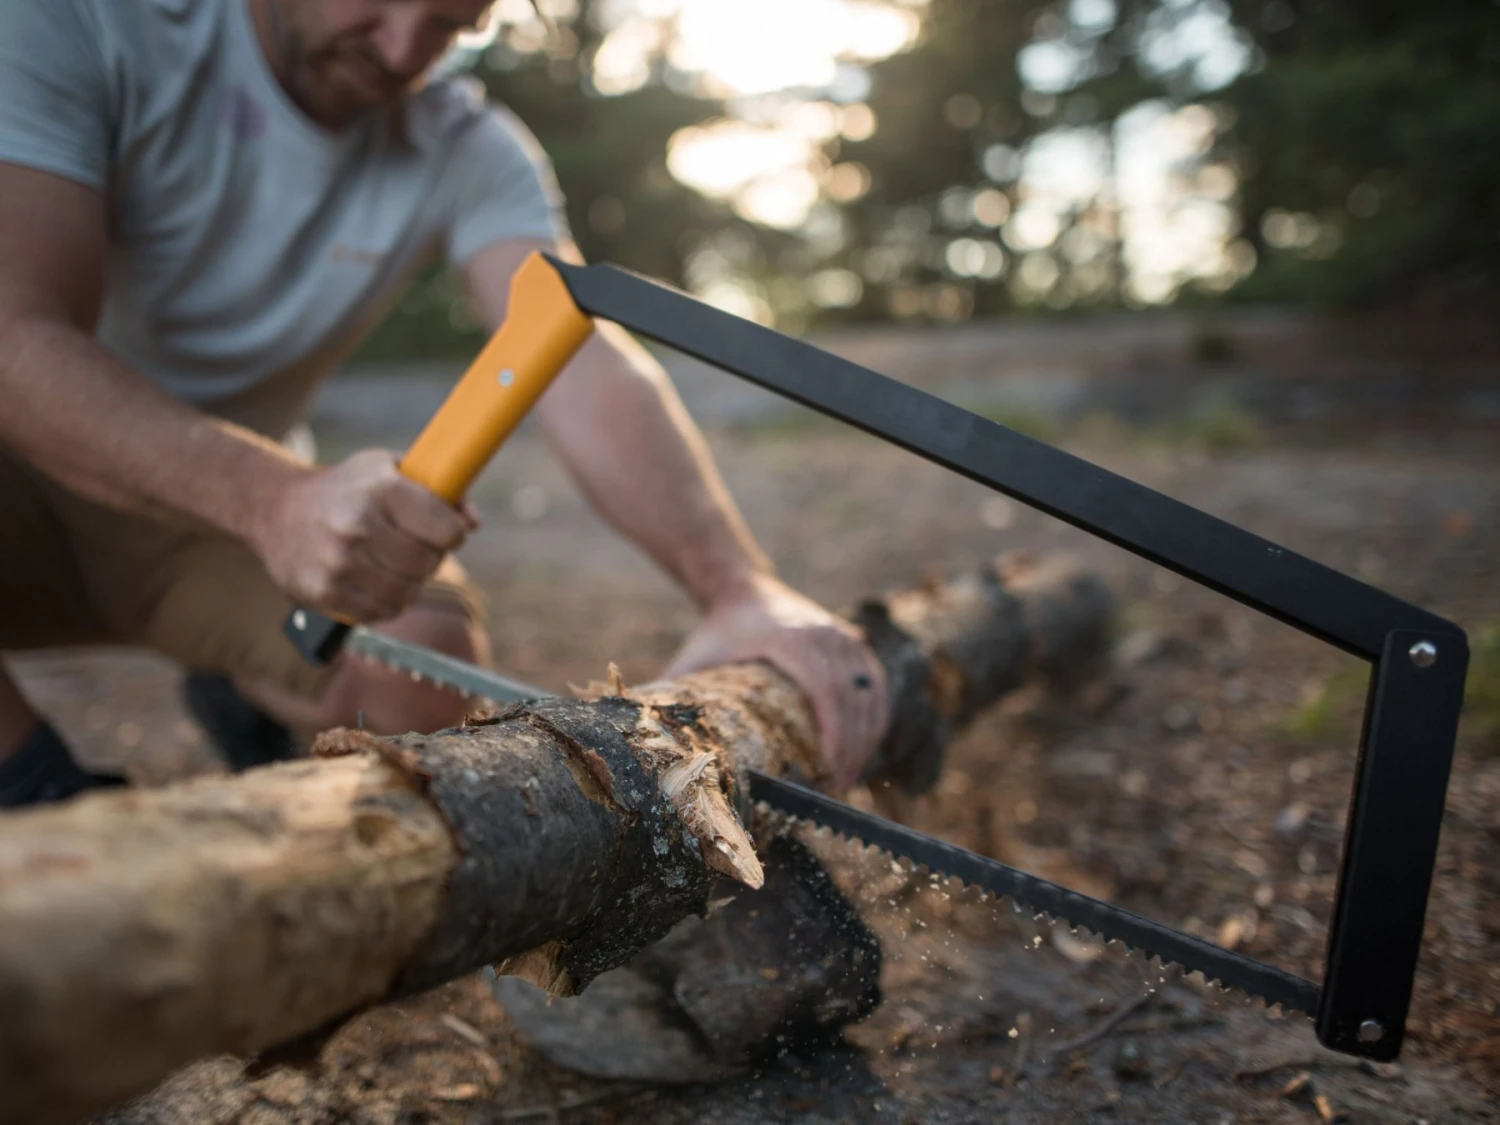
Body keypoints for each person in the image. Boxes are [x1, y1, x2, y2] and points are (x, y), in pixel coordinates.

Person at [0, 0, 889, 808]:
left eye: (450, 24)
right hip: (51, 479)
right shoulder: (79, 24)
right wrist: (271, 498)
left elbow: (571, 354)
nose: (401, 50)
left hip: (214, 515)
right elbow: (16, 338)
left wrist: (737, 587)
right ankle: (39, 801)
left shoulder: (464, 147)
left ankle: (245, 705)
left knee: (417, 650)